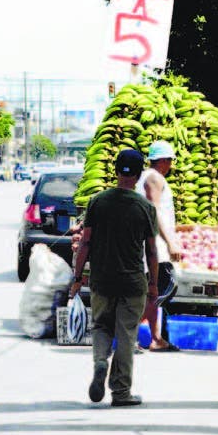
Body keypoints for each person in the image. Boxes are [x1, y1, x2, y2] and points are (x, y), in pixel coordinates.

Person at [70, 149, 158, 406]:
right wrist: (153, 284)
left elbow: (85, 242)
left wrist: (77, 277)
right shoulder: (145, 207)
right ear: (140, 174)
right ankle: (120, 392)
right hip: (132, 282)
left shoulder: (98, 201)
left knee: (101, 326)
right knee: (126, 334)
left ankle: (100, 362)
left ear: (116, 170)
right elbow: (151, 251)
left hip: (102, 278)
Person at [135, 141, 183, 352]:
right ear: (164, 160)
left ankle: (155, 338)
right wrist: (170, 241)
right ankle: (125, 332)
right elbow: (153, 211)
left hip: (153, 243)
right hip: (153, 245)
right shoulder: (153, 178)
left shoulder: (148, 177)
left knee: (153, 292)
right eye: (170, 160)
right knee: (164, 286)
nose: (171, 165)